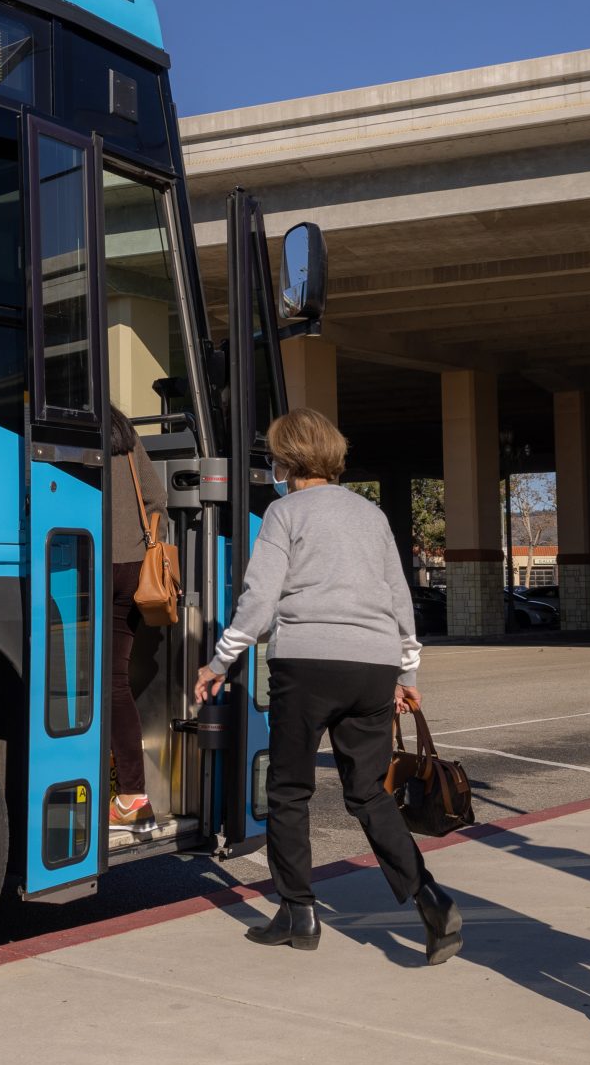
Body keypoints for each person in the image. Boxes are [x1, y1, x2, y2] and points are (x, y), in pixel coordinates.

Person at [193, 408, 460, 962]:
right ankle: (427, 895)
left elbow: (261, 600)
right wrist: (407, 672)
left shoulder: (284, 513)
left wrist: (220, 662)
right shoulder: (372, 516)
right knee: (367, 791)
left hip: (308, 664)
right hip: (373, 667)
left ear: (286, 461)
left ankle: (298, 910)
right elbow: (397, 597)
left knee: (290, 789)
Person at [106, 405, 168, 828]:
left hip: (81, 561)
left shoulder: (66, 425)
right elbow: (156, 497)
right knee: (114, 681)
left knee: (72, 681)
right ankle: (132, 794)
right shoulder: (123, 433)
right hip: (132, 568)